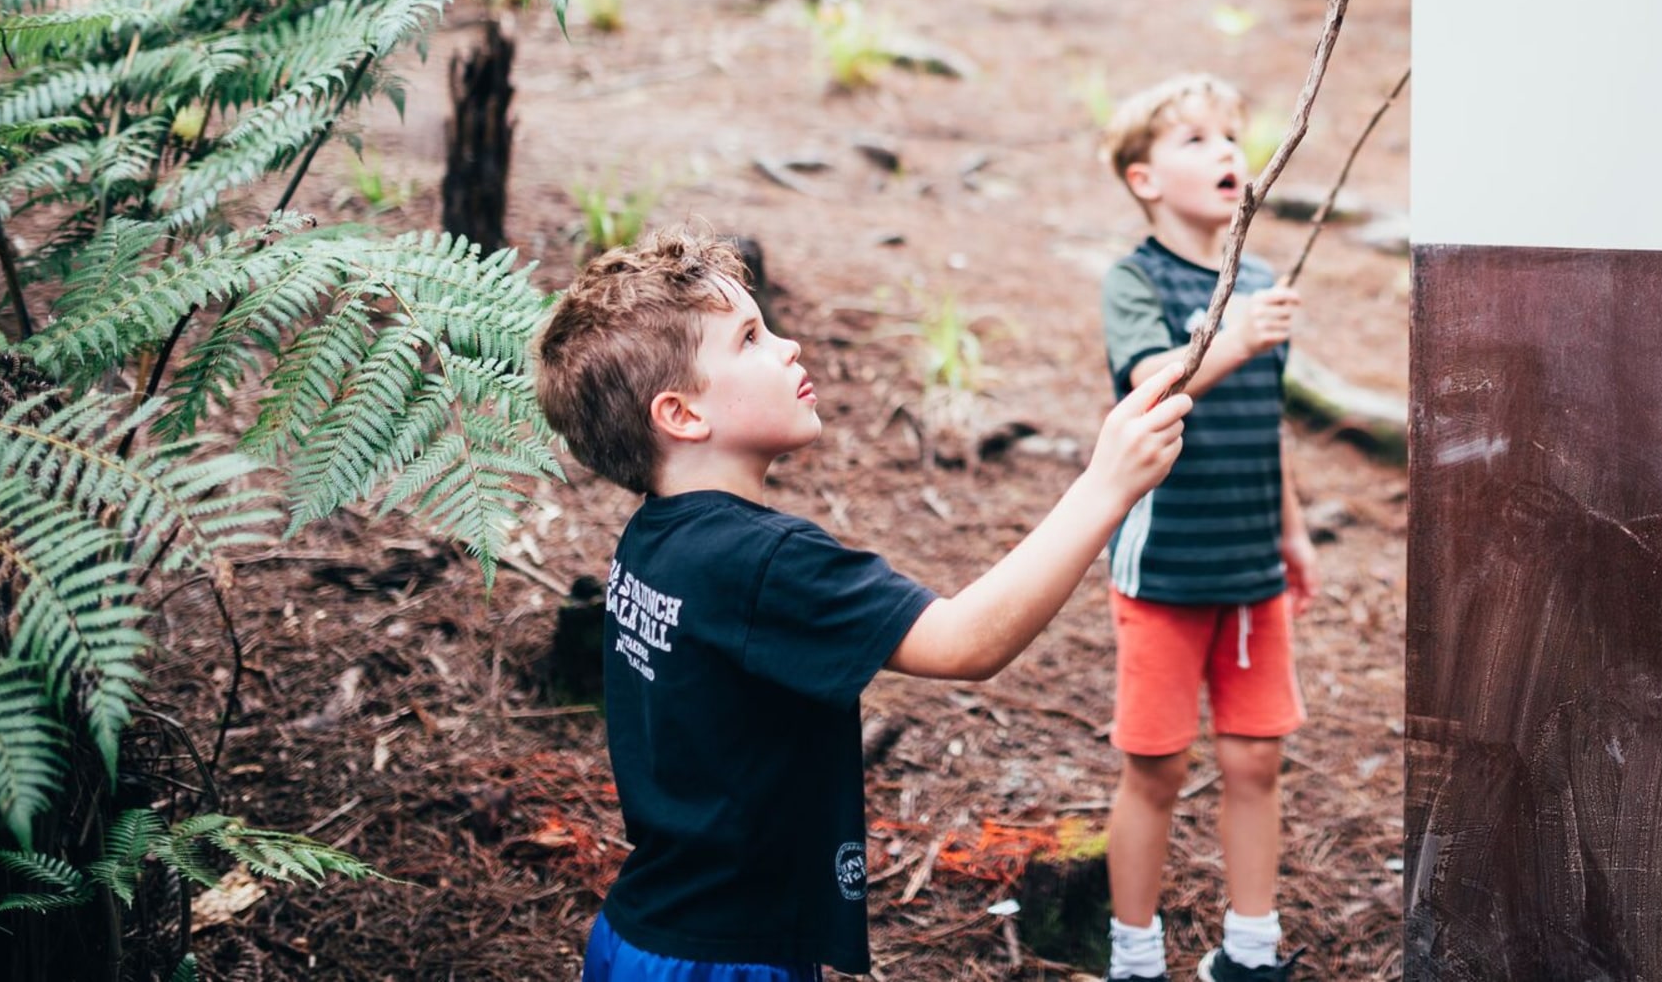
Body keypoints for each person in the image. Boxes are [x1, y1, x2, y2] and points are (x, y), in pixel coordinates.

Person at [535, 229, 1191, 981]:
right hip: (728, 960)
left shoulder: (652, 539)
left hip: (637, 935)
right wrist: (1105, 486)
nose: (788, 346)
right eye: (749, 338)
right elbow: (965, 642)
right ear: (681, 414)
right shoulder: (761, 560)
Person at [1097, 75, 1317, 982]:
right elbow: (1153, 382)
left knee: (1255, 759)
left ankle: (1251, 951)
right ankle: (1136, 955)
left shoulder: (1258, 281)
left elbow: (1264, 422)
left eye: (1233, 136)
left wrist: (1293, 532)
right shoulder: (1133, 279)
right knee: (1154, 766)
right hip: (1166, 571)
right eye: (1196, 140)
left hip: (1249, 566)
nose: (1227, 151)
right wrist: (1235, 335)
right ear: (1144, 178)